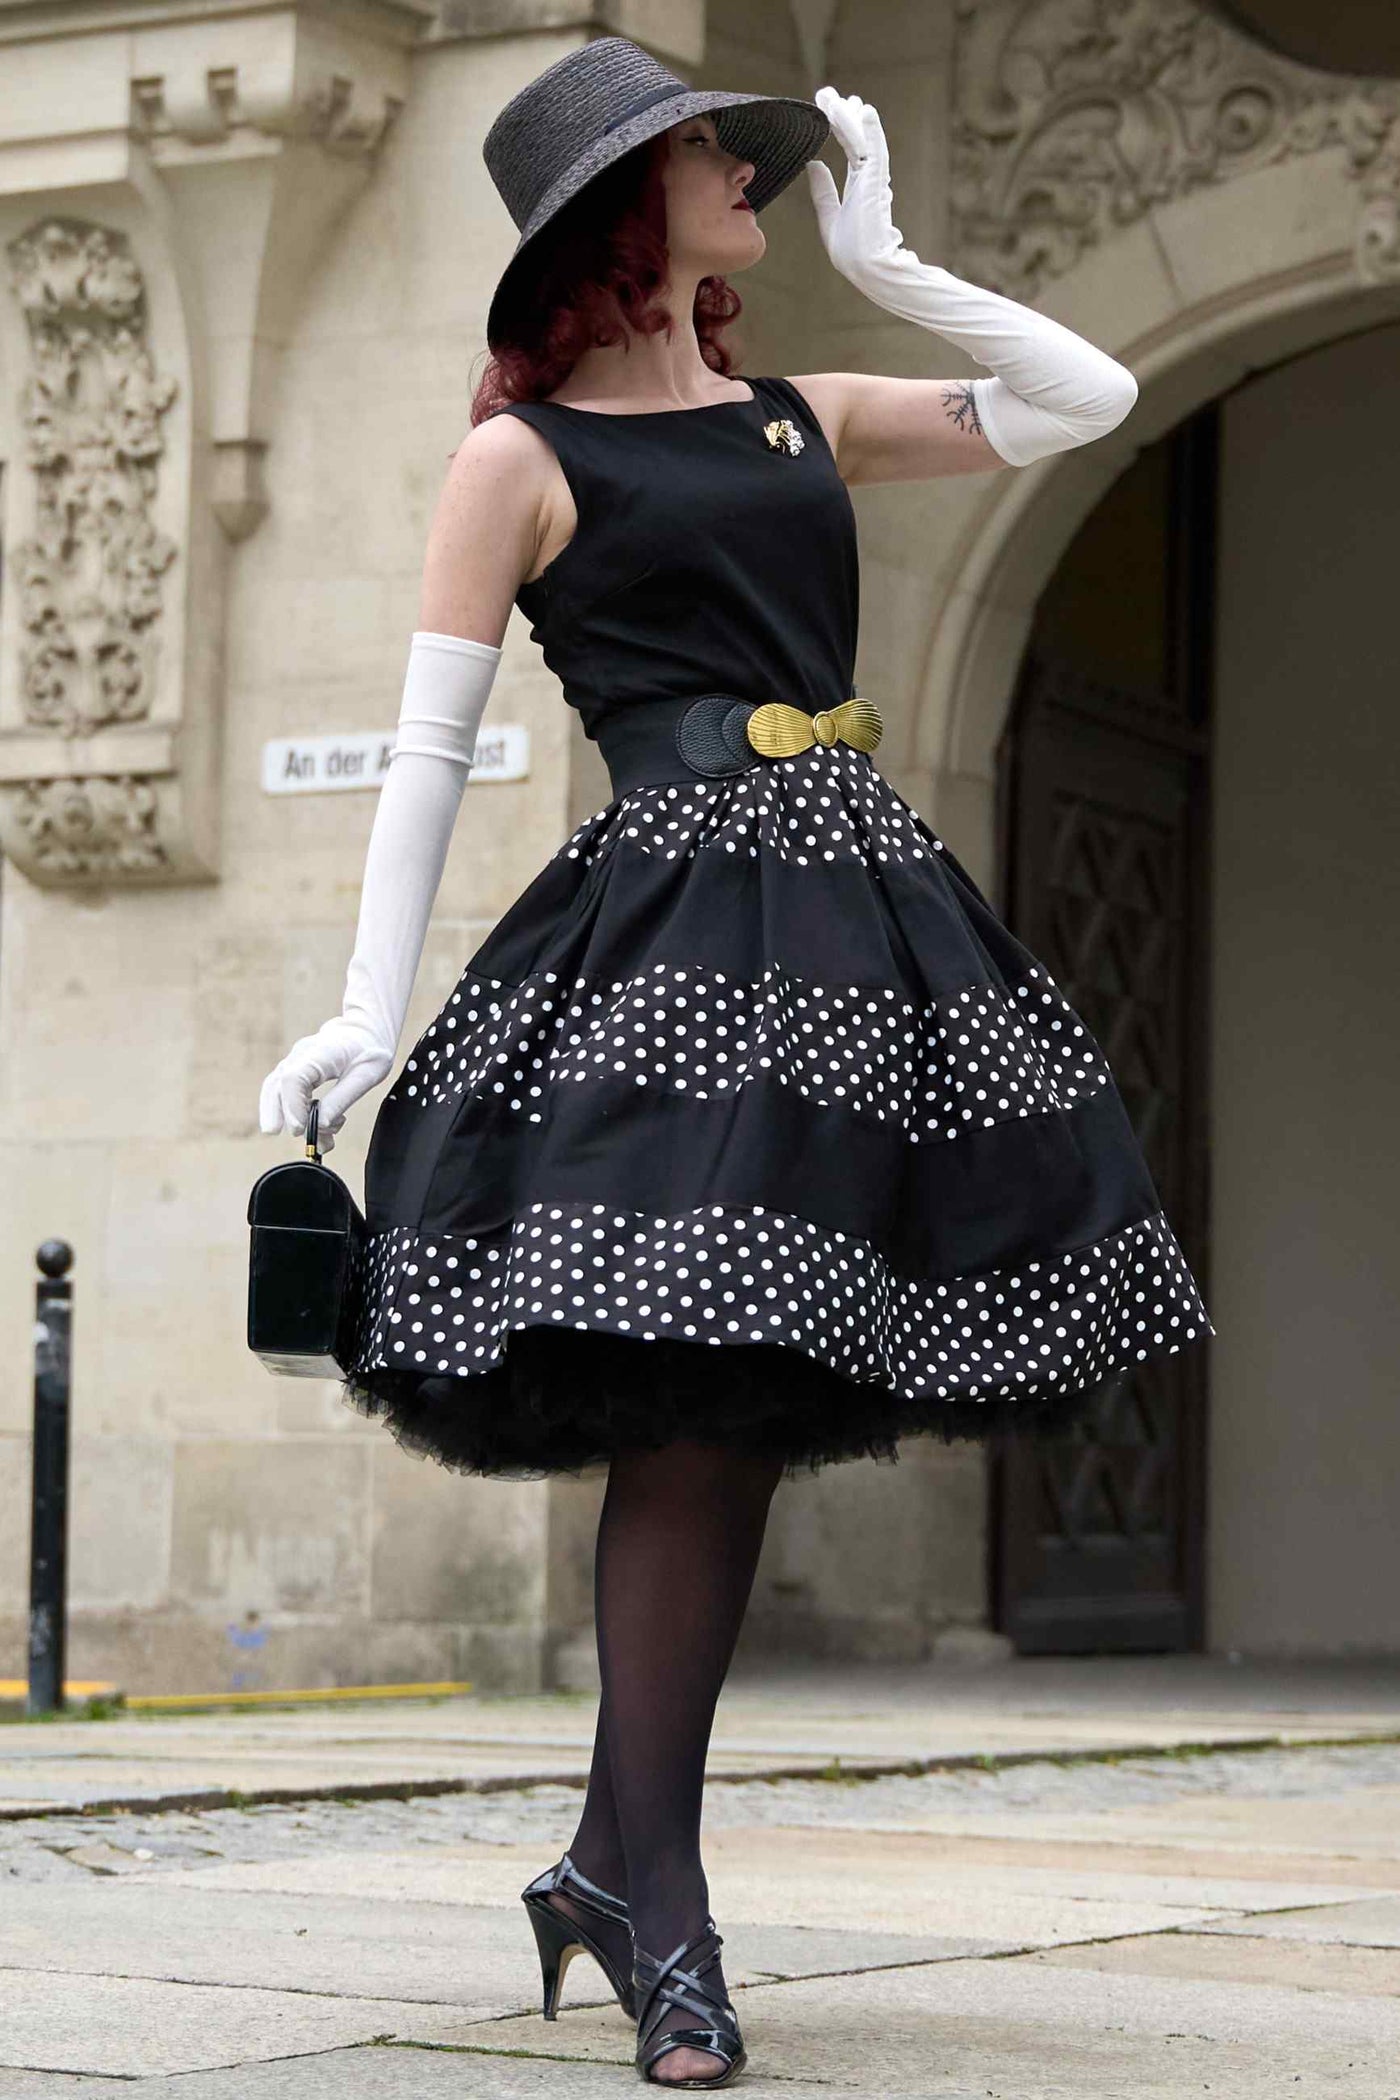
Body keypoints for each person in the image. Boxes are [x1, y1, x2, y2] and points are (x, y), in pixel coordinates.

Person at [259, 36, 1211, 2089]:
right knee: (693, 1391)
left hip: (856, 947)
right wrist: (362, 1002)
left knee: (743, 1396)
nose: (751, 178)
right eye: (713, 156)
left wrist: (897, 250)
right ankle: (654, 1904)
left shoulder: (802, 419)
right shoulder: (517, 466)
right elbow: (432, 750)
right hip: (662, 954)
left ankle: (618, 1873)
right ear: (616, 213)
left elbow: (1087, 398)